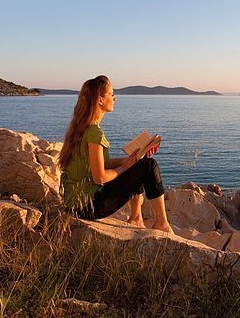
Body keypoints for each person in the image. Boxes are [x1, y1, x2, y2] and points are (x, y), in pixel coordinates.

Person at [59, 75, 174, 233]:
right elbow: (99, 177)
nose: (115, 99)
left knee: (139, 164)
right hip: (88, 206)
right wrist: (124, 167)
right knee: (149, 165)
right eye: (111, 94)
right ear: (100, 99)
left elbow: (98, 164)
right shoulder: (94, 134)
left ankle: (136, 218)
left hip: (75, 203)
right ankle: (161, 223)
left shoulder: (81, 128)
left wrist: (128, 161)